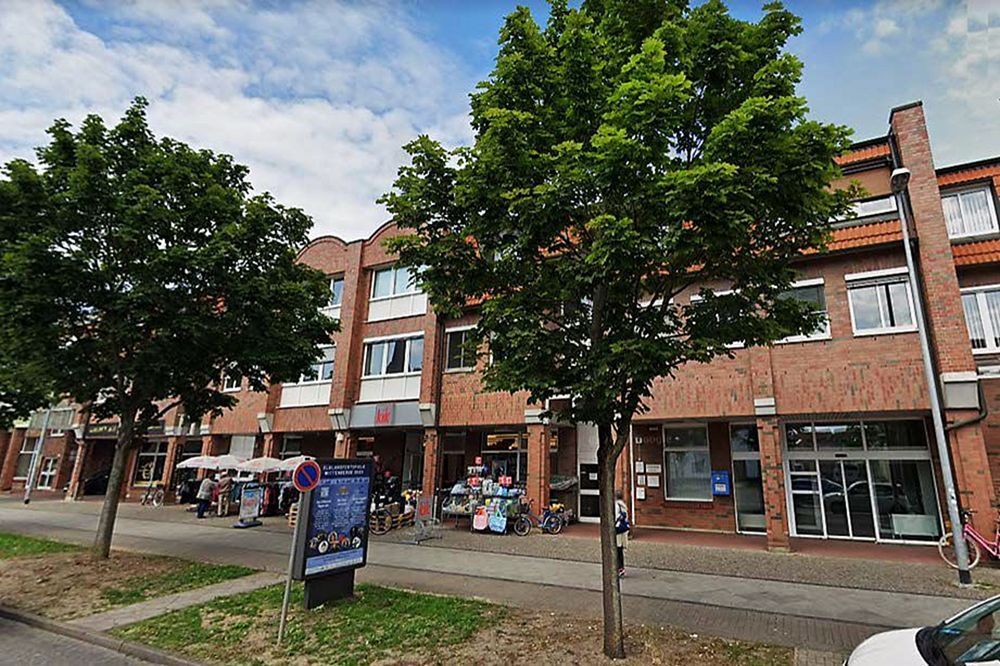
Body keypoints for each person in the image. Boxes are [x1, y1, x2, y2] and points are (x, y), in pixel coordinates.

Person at [615, 491, 630, 578]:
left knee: (617, 549)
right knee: (620, 550)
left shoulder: (616, 506)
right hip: (623, 531)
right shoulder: (624, 506)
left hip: (617, 530)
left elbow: (615, 517)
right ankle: (621, 568)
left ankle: (618, 568)